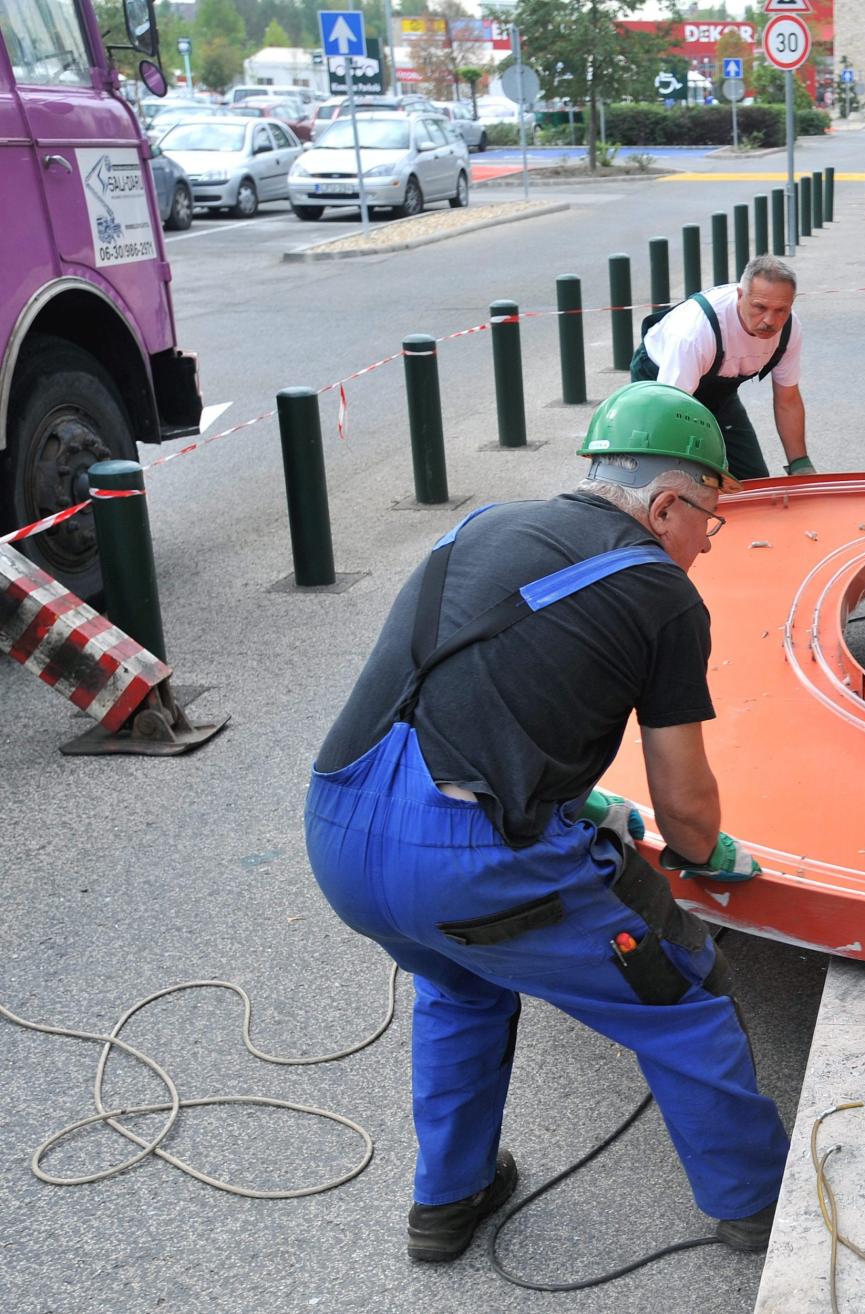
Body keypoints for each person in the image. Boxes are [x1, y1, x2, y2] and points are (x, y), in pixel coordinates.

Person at [303, 383, 789, 1264]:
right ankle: (757, 1205)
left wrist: (578, 801)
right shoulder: (663, 595)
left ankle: (448, 1202)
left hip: (339, 828)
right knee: (683, 995)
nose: (705, 545)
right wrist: (703, 856)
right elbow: (683, 807)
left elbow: (467, 696)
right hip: (468, 866)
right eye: (707, 522)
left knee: (460, 982)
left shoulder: (481, 527)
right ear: (667, 503)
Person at [631, 255, 814, 483]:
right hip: (663, 387)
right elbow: (670, 414)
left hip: (718, 392)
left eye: (781, 310)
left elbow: (788, 400)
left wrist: (801, 465)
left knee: (751, 483)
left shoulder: (789, 330)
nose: (770, 320)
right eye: (760, 307)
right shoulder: (696, 332)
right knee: (680, 484)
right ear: (740, 296)